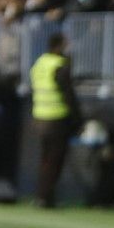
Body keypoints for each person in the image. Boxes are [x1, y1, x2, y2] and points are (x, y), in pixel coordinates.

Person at [28, 33, 80, 209]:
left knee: (45, 159)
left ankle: (41, 195)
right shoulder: (59, 66)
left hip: (39, 115)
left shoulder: (40, 63)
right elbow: (68, 95)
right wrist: (78, 120)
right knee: (54, 160)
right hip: (56, 118)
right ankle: (45, 197)